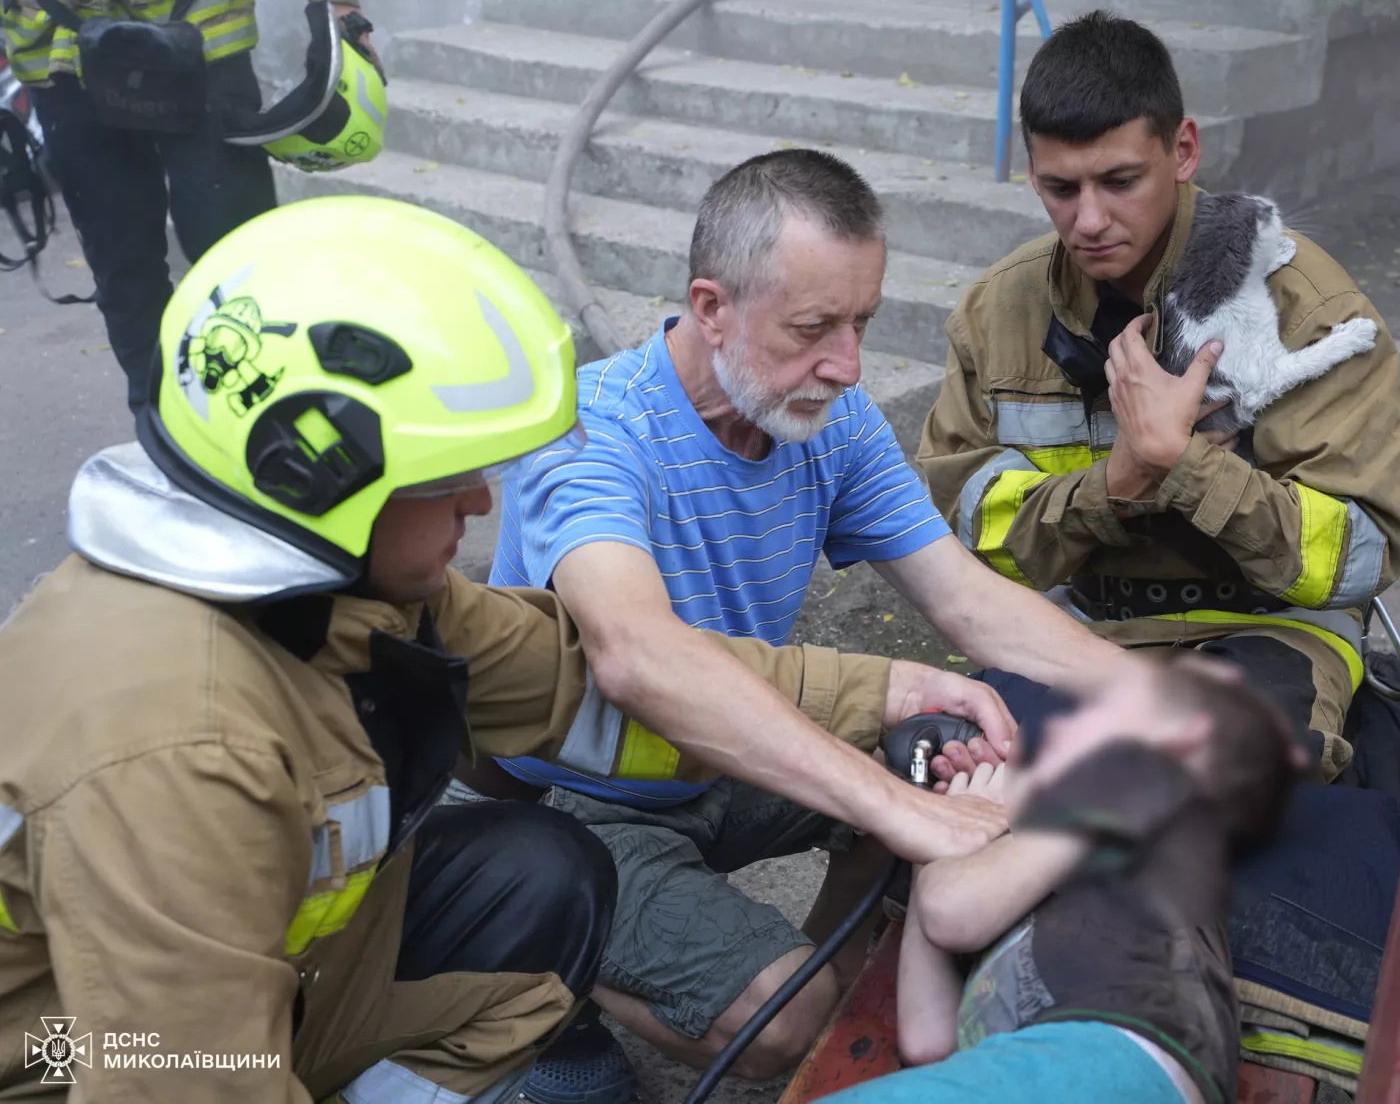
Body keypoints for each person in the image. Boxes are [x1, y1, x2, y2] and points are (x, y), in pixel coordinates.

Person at [0, 196, 1012, 1103]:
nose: (482, 502)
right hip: (71, 1054)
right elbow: (177, 1078)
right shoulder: (175, 740)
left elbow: (579, 684)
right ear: (321, 477)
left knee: (541, 878)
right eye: (447, 479)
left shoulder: (349, 588)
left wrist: (886, 688)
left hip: (266, 985)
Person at [482, 148, 1130, 1103]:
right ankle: (529, 980)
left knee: (932, 749)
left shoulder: (830, 416)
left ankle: (829, 973)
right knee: (780, 1010)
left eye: (861, 322)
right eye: (815, 327)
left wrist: (1162, 699)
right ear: (711, 307)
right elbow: (637, 657)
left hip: (725, 759)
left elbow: (963, 596)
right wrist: (899, 811)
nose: (849, 364)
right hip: (584, 797)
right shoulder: (591, 432)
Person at [916, 11, 1400, 782]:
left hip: (1271, 633)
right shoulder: (996, 314)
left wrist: (1184, 463)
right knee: (965, 784)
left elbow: (1358, 559)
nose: (1088, 220)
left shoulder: (1309, 313)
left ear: (1183, 150)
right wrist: (1118, 485)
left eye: (1119, 182)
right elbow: (966, 536)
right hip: (1083, 627)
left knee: (1214, 801)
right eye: (1059, 187)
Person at [823, 655, 1307, 1104]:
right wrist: (943, 834)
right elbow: (928, 1040)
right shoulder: (1043, 865)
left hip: (1108, 1062)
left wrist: (963, 821)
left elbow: (952, 912)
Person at [0, 0, 377, 414]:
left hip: (200, 29)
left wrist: (338, 2)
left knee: (237, 259)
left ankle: (275, 422)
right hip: (58, 51)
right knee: (123, 269)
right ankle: (164, 427)